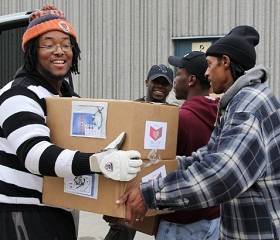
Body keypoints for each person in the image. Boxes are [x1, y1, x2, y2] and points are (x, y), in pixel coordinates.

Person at [118, 25, 280, 239]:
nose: (206, 73)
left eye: (210, 65)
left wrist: (150, 194)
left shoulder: (247, 108)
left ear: (225, 62)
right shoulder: (236, 102)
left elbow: (222, 174)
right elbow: (207, 155)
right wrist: (155, 167)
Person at [0, 5, 142, 240]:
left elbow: (83, 147)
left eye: (66, 45)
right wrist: (99, 162)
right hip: (20, 213)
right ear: (32, 52)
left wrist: (111, 198)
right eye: (48, 44)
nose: (59, 51)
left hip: (59, 209)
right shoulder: (18, 94)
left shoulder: (67, 97)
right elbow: (35, 155)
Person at [104, 64, 173, 240]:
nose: (159, 87)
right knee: (123, 229)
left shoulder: (173, 115)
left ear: (171, 87)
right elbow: (113, 146)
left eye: (164, 83)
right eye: (155, 82)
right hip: (130, 181)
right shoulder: (132, 109)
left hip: (158, 180)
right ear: (146, 82)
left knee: (160, 229)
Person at [155, 51, 220, 240]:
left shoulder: (181, 118)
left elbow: (160, 165)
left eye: (178, 74)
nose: (174, 80)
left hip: (180, 222)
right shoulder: (220, 113)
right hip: (214, 217)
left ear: (191, 80)